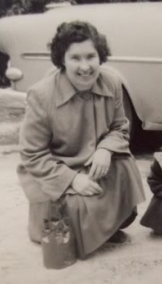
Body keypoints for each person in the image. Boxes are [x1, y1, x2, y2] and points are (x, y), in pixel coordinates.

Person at [17, 21, 145, 259]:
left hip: (93, 165)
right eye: (75, 58)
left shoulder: (112, 83)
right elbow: (32, 155)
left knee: (124, 165)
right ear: (62, 61)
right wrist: (72, 180)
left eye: (91, 56)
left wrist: (105, 149)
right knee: (68, 223)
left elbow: (120, 128)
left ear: (100, 57)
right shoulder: (41, 95)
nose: (85, 67)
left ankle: (108, 226)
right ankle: (88, 228)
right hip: (56, 174)